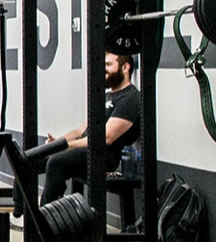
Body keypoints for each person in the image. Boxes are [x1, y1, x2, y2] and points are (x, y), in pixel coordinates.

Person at [38, 51, 143, 204]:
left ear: (125, 67)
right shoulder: (107, 96)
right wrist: (57, 143)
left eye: (108, 64)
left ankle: (46, 223)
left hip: (103, 155)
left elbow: (106, 138)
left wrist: (66, 147)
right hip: (83, 150)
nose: (103, 69)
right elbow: (79, 131)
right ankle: (20, 211)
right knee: (34, 158)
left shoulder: (131, 98)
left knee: (55, 162)